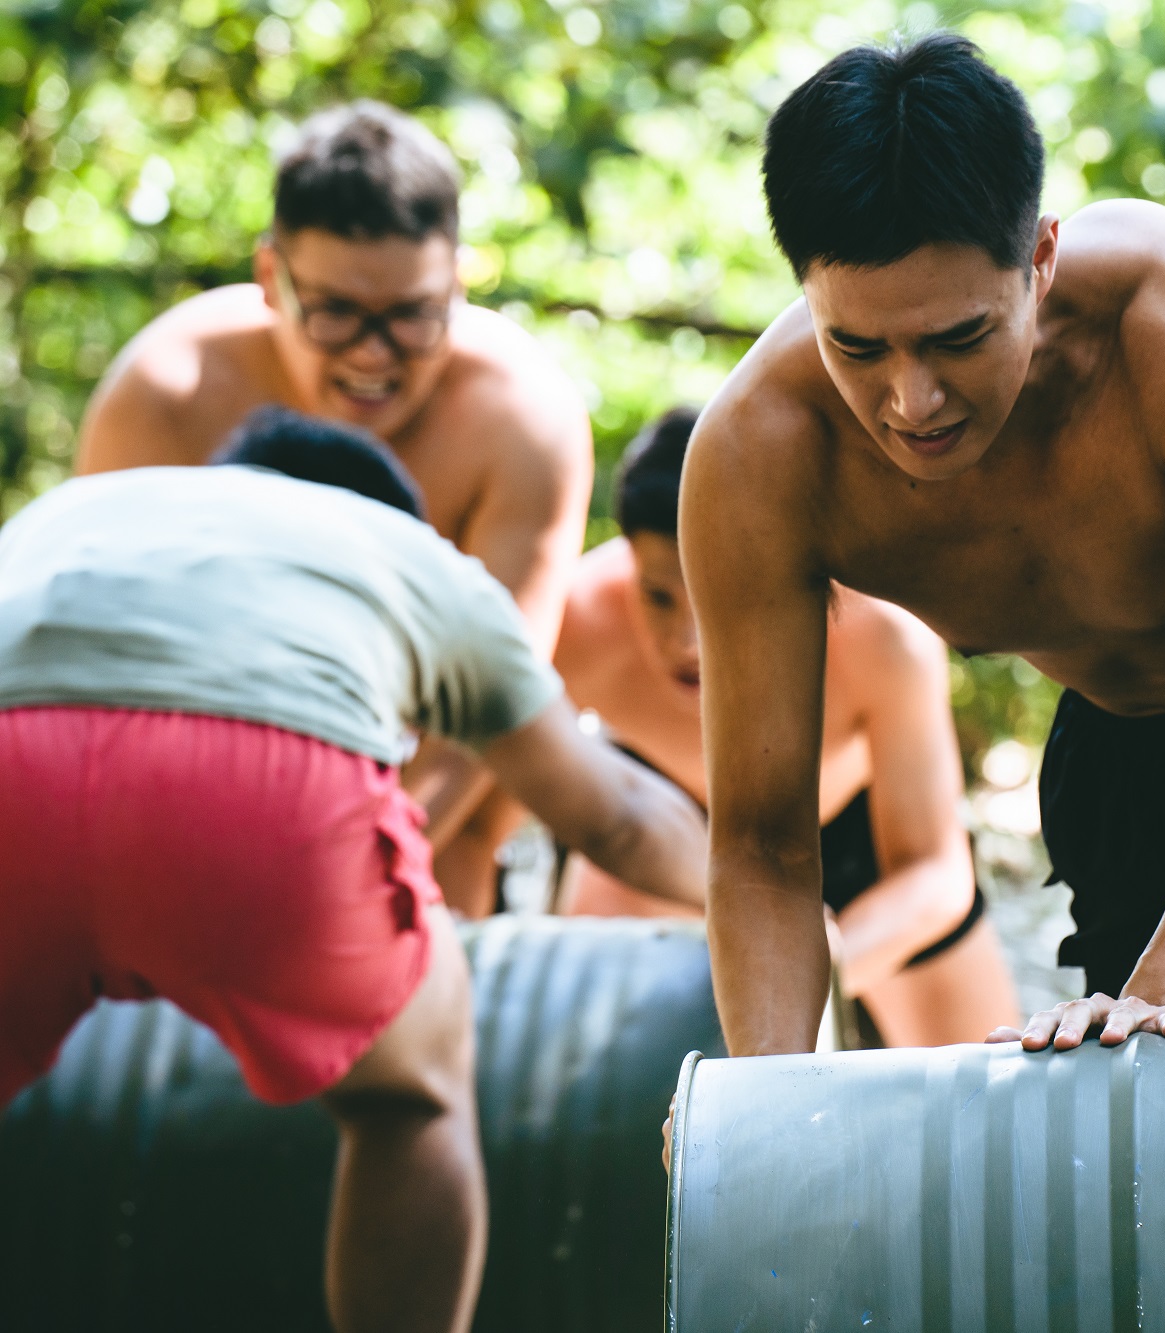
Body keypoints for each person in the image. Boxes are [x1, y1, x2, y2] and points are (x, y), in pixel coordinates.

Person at [679, 34, 1165, 1058]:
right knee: (1136, 1147)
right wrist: (761, 1115)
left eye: (958, 339)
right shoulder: (763, 454)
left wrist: (1155, 996)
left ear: (1041, 258)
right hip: (1123, 745)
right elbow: (759, 844)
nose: (910, 400)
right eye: (857, 345)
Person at [0, 409, 706, 1333]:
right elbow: (612, 815)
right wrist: (758, 897)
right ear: (391, 514)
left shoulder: (76, 509)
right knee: (409, 1096)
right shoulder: (411, 556)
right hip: (258, 785)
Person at [72, 100, 594, 900]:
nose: (373, 356)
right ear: (269, 279)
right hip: (194, 758)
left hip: (425, 788)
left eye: (412, 316)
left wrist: (355, 871)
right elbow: (102, 660)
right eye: (336, 314)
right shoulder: (167, 396)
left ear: (456, 282)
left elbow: (497, 700)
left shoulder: (522, 420)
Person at [553, 407, 1020, 1045]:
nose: (687, 641)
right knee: (581, 1058)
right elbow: (478, 816)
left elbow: (936, 874)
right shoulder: (577, 622)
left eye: (715, 593)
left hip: (859, 865)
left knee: (986, 1105)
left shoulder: (881, 635)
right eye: (660, 596)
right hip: (664, 844)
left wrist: (808, 973)